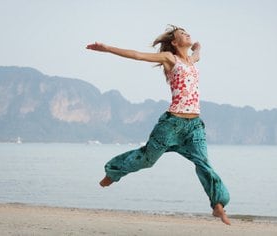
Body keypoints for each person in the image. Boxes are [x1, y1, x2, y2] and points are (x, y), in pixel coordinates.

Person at [86, 25, 231, 225]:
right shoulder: (170, 58)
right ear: (174, 42)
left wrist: (198, 47)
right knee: (147, 159)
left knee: (204, 164)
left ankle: (218, 205)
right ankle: (113, 172)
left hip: (194, 126)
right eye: (182, 33)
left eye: (187, 32)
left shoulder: (192, 60)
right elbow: (137, 55)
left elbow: (197, 53)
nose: (187, 34)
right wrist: (107, 48)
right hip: (171, 125)